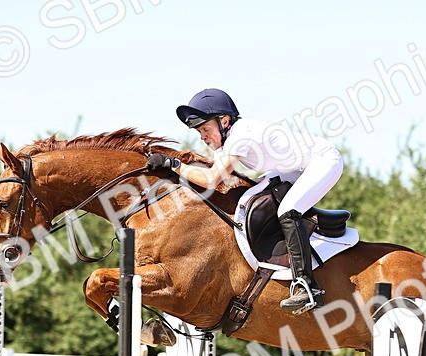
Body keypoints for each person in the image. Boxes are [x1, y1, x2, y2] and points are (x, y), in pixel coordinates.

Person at [146, 88, 343, 314]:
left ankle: (307, 287)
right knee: (250, 198)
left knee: (288, 210)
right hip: (291, 168)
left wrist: (175, 165)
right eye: (199, 131)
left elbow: (211, 180)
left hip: (323, 161)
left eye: (205, 129)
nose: (202, 136)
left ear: (224, 120)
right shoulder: (230, 139)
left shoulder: (241, 137)